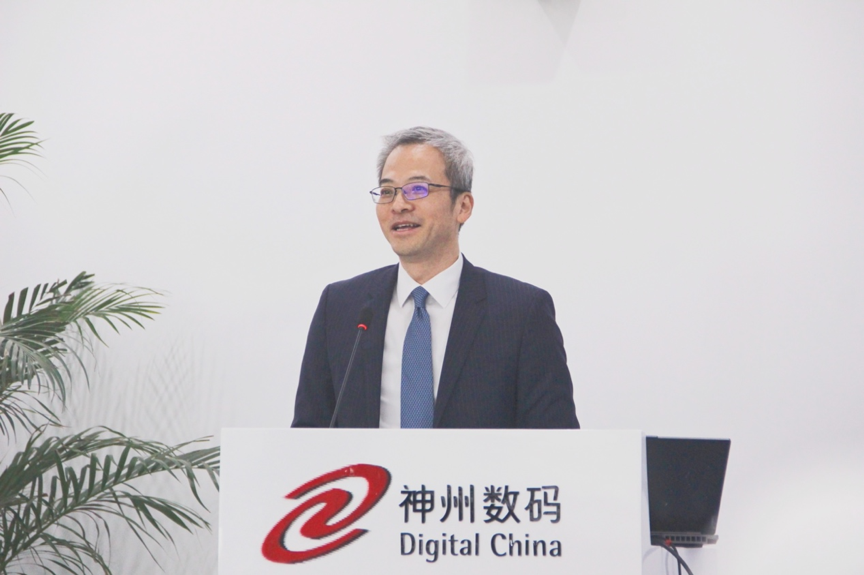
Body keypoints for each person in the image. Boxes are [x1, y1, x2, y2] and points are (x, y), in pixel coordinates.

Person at [292, 127, 579, 429]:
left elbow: (556, 443)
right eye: (387, 191)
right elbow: (307, 437)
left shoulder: (521, 313)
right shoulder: (342, 308)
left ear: (463, 206)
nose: (399, 205)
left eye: (418, 189)